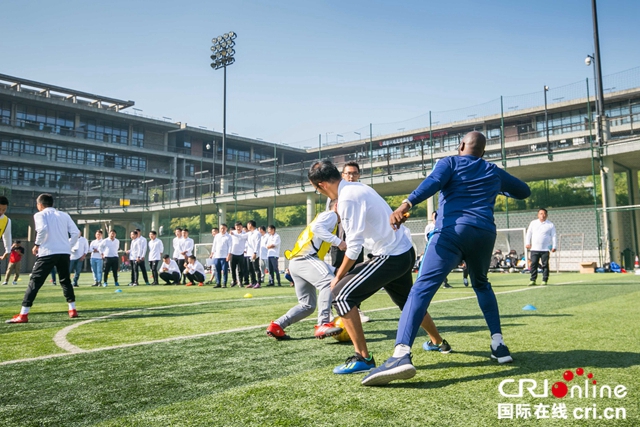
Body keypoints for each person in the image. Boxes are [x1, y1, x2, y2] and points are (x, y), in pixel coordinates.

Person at [362, 131, 531, 386]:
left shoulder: (449, 162)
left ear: (461, 145)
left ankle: (400, 355)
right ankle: (499, 345)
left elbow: (433, 182)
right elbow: (524, 191)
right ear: (482, 152)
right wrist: (497, 188)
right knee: (482, 284)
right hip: (484, 234)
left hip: (451, 233)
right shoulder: (493, 171)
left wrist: (405, 205)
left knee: (420, 290)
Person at [308, 160, 446, 375]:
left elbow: (353, 249)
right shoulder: (357, 188)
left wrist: (338, 277)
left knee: (340, 296)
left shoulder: (347, 199)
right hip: (401, 251)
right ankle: (438, 342)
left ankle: (363, 358)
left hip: (390, 255)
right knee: (407, 304)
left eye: (316, 189)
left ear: (322, 184)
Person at [266, 199, 345, 340]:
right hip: (305, 258)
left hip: (298, 262)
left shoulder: (327, 217)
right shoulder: (332, 215)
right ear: (338, 206)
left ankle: (277, 326)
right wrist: (339, 242)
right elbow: (317, 229)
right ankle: (324, 323)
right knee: (329, 283)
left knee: (307, 305)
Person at [6, 193, 81, 324]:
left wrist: (37, 245)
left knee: (35, 282)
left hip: (47, 252)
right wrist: (67, 245)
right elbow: (76, 233)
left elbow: (42, 230)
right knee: (65, 280)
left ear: (40, 204)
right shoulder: (64, 215)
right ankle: (72, 309)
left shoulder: (39, 215)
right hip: (64, 253)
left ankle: (23, 314)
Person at [330, 162, 370, 323]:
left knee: (355, 274)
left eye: (354, 173)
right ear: (342, 175)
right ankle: (331, 309)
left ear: (359, 175)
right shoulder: (334, 195)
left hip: (356, 242)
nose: (351, 176)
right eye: (348, 173)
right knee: (335, 275)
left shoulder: (363, 193)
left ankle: (356, 308)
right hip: (338, 243)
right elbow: (330, 221)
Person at [526, 208, 556, 286]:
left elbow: (554, 236)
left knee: (545, 265)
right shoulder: (533, 223)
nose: (543, 215)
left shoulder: (550, 225)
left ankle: (544, 279)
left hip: (545, 249)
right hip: (534, 249)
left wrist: (554, 246)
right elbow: (529, 233)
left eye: (544, 214)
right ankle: (533, 280)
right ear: (538, 215)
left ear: (547, 215)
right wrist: (527, 243)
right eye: (541, 213)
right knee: (534, 264)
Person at [425, 211, 453, 288]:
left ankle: (444, 282)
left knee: (442, 266)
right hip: (432, 248)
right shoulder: (429, 227)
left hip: (442, 248)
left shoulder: (442, 225)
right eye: (434, 217)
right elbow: (426, 237)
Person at [212, 224, 232, 288]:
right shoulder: (217, 236)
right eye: (221, 228)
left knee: (224, 270)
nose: (222, 230)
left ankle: (224, 283)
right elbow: (214, 245)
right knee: (217, 270)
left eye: (224, 228)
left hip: (224, 256)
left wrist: (228, 255)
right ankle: (218, 283)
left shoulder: (228, 236)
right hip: (217, 256)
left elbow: (230, 246)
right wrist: (212, 253)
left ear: (226, 229)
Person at [228, 222, 248, 287]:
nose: (238, 228)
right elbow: (229, 242)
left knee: (240, 269)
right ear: (235, 227)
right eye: (237, 226)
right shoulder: (232, 233)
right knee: (232, 269)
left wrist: (245, 249)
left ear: (242, 227)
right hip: (233, 253)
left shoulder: (244, 233)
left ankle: (240, 282)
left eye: (239, 226)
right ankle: (234, 281)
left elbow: (244, 239)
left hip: (241, 253)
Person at [245, 220, 261, 288]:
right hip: (249, 253)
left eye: (247, 225)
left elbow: (257, 244)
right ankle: (253, 282)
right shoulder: (249, 233)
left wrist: (255, 253)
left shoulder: (257, 233)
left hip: (254, 254)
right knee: (250, 269)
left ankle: (259, 283)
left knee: (256, 268)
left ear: (250, 225)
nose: (247, 226)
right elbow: (242, 236)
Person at [0, 197, 13, 280]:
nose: (1, 212)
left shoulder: (6, 221)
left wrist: (8, 250)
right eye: (0, 209)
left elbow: (7, 236)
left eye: (4, 210)